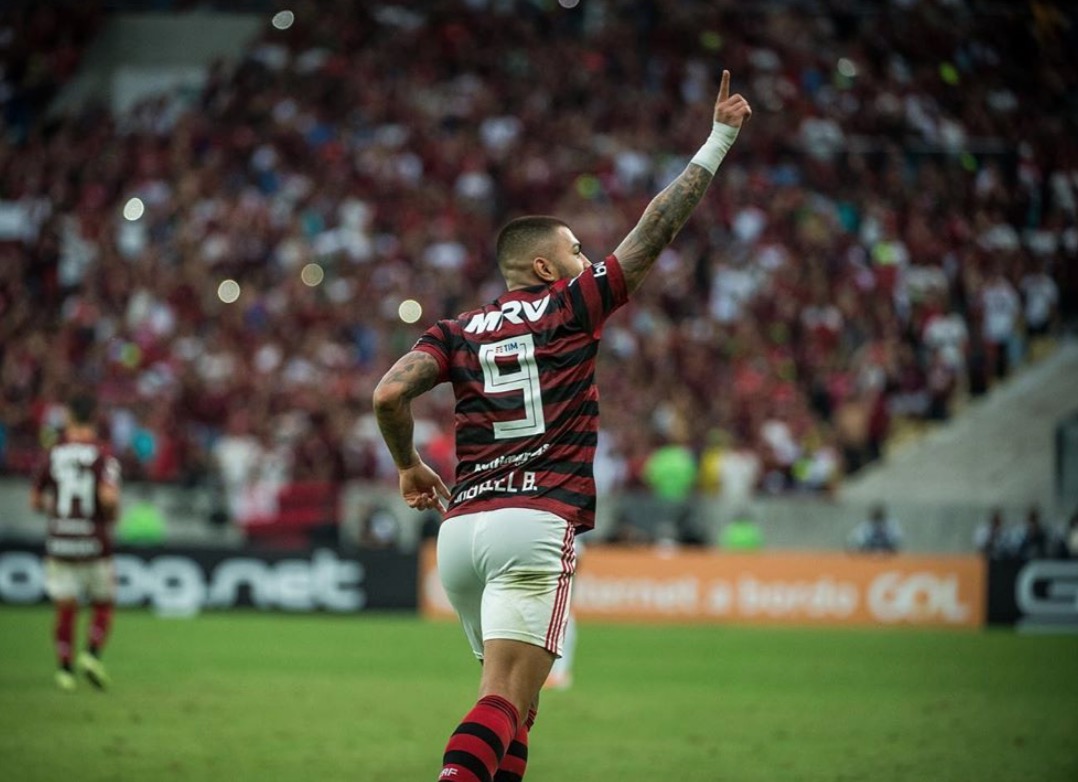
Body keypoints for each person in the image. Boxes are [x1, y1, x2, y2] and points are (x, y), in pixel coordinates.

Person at [372, 70, 751, 782]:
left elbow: (388, 394)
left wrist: (407, 465)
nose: (588, 257)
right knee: (503, 699)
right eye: (577, 250)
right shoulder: (569, 304)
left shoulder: (455, 330)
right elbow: (657, 227)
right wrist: (720, 138)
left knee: (518, 706)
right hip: (535, 519)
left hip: (460, 533)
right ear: (545, 266)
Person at [29, 393, 122, 691]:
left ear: (69, 417)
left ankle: (65, 671)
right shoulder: (103, 454)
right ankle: (92, 654)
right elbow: (108, 499)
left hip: (60, 541)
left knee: (65, 607)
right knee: (104, 602)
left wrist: (57, 513)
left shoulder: (52, 453)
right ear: (94, 417)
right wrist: (112, 513)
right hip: (93, 541)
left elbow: (35, 501)